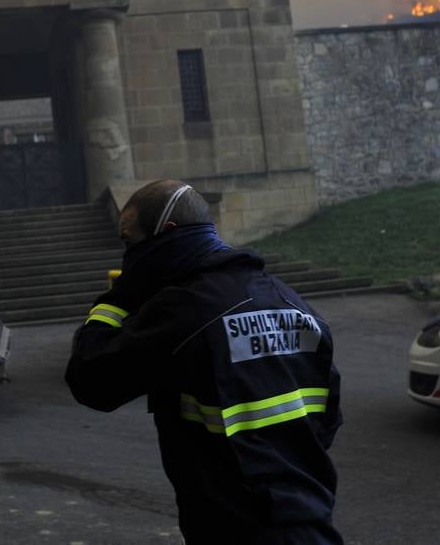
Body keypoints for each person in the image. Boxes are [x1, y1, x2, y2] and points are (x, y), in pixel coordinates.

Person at [65, 179, 343, 544]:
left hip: (234, 529)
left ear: (167, 234)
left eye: (129, 242)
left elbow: (91, 381)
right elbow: (327, 419)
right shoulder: (290, 302)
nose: (127, 256)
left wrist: (116, 301)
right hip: (310, 522)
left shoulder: (186, 310)